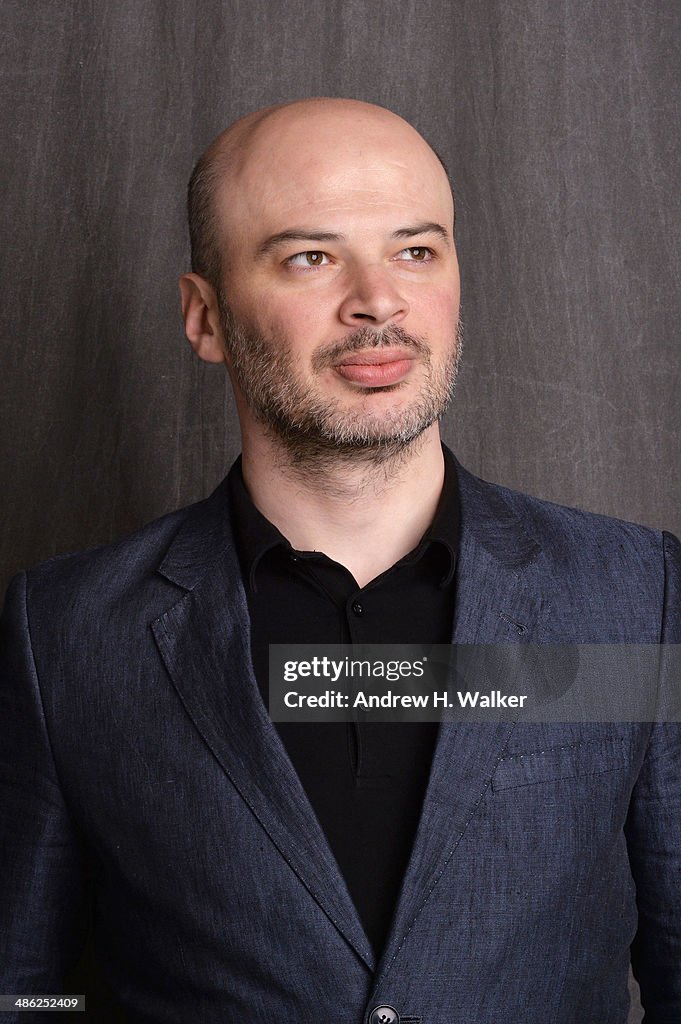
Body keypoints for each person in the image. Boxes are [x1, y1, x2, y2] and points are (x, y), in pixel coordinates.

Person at [0, 97, 679, 1024]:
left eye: (415, 250)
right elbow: (27, 991)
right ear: (204, 318)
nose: (379, 299)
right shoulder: (65, 628)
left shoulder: (636, 595)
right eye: (309, 257)